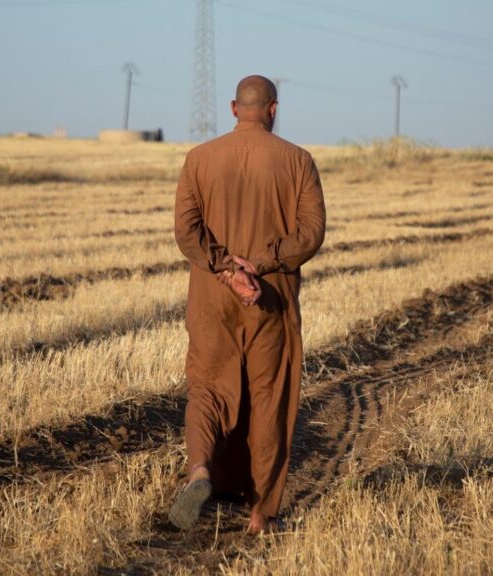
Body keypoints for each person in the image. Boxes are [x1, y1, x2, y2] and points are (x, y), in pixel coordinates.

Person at [169, 75, 326, 534]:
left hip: (212, 297)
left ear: (235, 109)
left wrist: (224, 266)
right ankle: (261, 514)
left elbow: (186, 232)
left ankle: (200, 469)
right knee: (268, 398)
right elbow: (311, 233)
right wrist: (260, 263)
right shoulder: (298, 161)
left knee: (206, 389)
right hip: (270, 297)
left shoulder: (199, 159)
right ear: (273, 110)